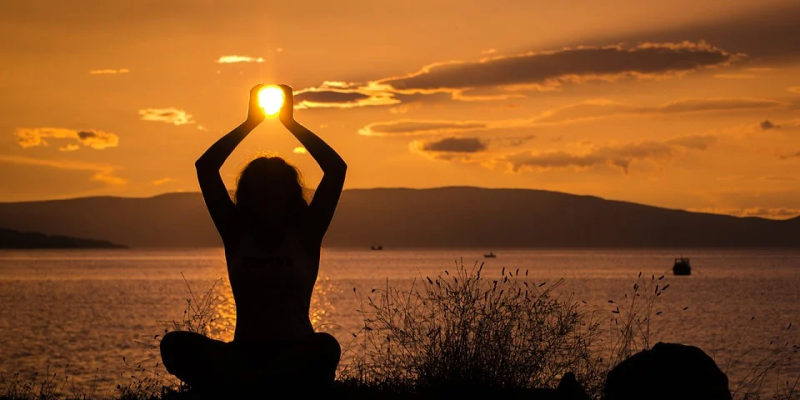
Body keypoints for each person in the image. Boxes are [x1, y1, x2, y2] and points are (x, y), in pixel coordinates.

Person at [159, 84, 346, 393]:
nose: (269, 196)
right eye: (262, 188)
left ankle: (248, 389)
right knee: (174, 344)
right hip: (243, 355)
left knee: (326, 347)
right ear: (248, 194)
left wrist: (290, 124)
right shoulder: (236, 232)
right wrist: (250, 123)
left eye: (276, 188)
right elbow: (205, 167)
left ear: (290, 194)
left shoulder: (306, 233)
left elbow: (336, 169)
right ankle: (259, 388)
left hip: (295, 353)